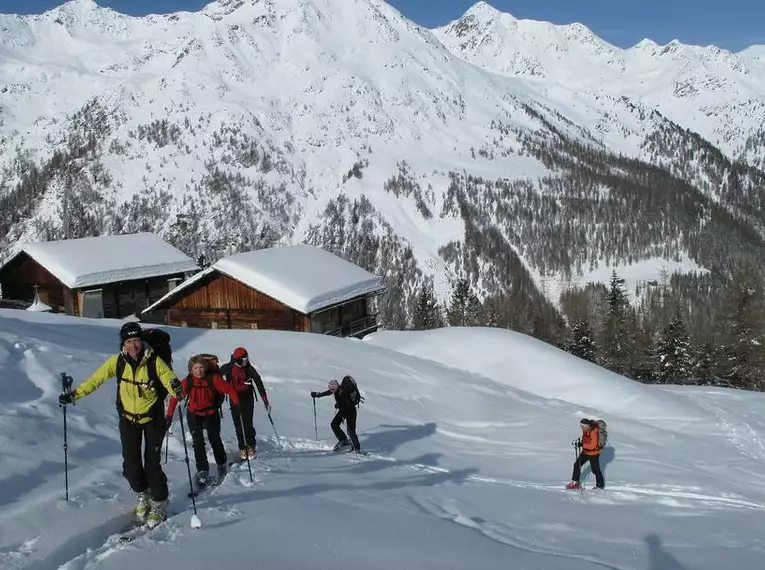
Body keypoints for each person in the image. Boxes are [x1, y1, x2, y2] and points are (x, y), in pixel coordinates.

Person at [57, 322, 183, 527]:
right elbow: (95, 380)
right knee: (131, 467)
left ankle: (159, 502)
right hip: (128, 419)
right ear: (123, 344)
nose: (133, 346)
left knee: (152, 465)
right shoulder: (117, 362)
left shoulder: (154, 361)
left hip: (153, 418)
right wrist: (73, 396)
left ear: (142, 342)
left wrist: (176, 389)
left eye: (136, 341)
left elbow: (168, 378)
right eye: (129, 341)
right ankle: (143, 493)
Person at [166, 354, 240, 486]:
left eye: (201, 367)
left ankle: (222, 464)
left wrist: (236, 403)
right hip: (194, 415)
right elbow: (175, 397)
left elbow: (229, 389)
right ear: (191, 369)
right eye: (195, 368)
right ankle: (202, 471)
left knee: (215, 440)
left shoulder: (214, 379)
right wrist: (170, 415)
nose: (198, 371)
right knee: (198, 443)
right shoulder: (188, 381)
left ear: (205, 368)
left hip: (211, 414)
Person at [219, 347, 270, 460]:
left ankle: (250, 445)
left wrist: (265, 401)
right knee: (238, 424)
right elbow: (217, 377)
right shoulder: (228, 368)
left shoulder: (249, 369)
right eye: (244, 358)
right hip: (234, 397)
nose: (246, 360)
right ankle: (242, 447)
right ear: (238, 360)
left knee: (247, 423)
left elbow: (259, 383)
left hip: (247, 398)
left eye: (247, 357)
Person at [311, 377, 361, 452]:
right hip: (343, 411)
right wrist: (317, 395)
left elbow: (348, 404)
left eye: (333, 389)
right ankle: (343, 440)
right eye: (331, 389)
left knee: (351, 431)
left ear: (336, 386)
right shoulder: (338, 389)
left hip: (350, 412)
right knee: (334, 424)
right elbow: (328, 392)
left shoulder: (343, 392)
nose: (332, 391)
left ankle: (356, 449)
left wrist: (339, 405)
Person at [566, 418, 605, 490]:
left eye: (582, 426)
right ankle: (575, 483)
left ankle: (600, 485)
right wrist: (580, 443)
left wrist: (582, 444)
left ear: (587, 426)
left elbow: (593, 446)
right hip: (586, 452)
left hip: (594, 453)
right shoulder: (586, 430)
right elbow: (585, 439)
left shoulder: (593, 432)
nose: (581, 428)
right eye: (581, 426)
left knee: (595, 469)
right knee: (577, 465)